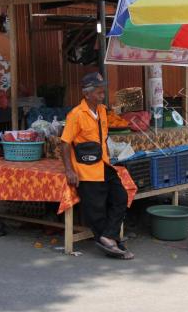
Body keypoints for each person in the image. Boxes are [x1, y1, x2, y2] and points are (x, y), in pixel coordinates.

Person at [61, 72, 137, 259]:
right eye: (99, 92)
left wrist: (110, 157)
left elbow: (103, 138)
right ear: (87, 94)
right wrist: (69, 170)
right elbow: (64, 143)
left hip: (103, 164)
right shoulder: (76, 115)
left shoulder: (102, 110)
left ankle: (107, 236)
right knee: (95, 209)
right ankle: (108, 240)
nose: (102, 95)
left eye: (102, 91)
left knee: (120, 196)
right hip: (85, 169)